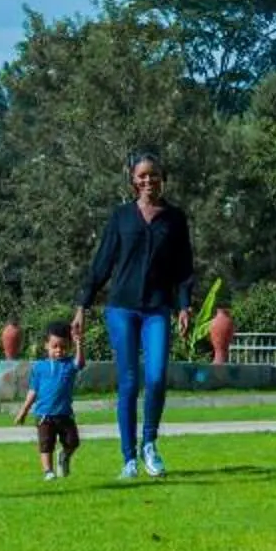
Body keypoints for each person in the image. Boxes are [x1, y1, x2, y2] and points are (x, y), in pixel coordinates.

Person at [74, 149, 195, 481]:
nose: (148, 181)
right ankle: (128, 458)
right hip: (122, 308)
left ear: (162, 179)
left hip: (158, 308)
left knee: (155, 377)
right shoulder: (121, 217)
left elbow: (184, 268)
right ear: (133, 181)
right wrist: (82, 305)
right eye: (142, 176)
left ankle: (149, 444)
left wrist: (184, 305)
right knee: (128, 382)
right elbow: (102, 263)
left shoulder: (175, 218)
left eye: (153, 175)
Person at [15, 320, 81, 480]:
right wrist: (23, 411)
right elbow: (33, 391)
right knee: (46, 444)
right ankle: (48, 472)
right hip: (44, 414)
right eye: (55, 346)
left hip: (65, 414)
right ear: (46, 345)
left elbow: (80, 363)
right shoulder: (39, 367)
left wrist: (79, 344)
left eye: (64, 347)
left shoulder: (70, 365)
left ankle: (64, 456)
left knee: (73, 442)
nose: (59, 350)